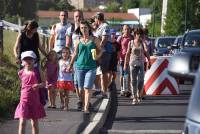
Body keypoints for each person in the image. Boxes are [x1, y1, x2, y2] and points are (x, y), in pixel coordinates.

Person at [68, 20, 102, 113]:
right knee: (81, 88)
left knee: (87, 87)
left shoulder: (94, 39)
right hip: (79, 67)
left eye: (85, 28)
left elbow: (101, 50)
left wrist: (97, 57)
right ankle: (84, 103)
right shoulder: (78, 40)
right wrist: (70, 65)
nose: (83, 29)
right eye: (82, 28)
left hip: (91, 67)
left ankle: (86, 107)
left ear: (89, 28)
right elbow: (75, 53)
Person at [14, 51, 46, 134]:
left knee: (34, 123)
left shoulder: (37, 72)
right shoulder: (20, 73)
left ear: (34, 60)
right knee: (22, 122)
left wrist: (38, 85)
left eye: (30, 59)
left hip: (34, 101)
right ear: (22, 62)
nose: (28, 61)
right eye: (25, 59)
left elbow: (44, 83)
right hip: (24, 101)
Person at [124, 28, 151, 105]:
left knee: (141, 80)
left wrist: (149, 61)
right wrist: (125, 64)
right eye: (138, 34)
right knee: (133, 81)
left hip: (141, 64)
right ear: (135, 35)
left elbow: (146, 52)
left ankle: (139, 93)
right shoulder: (131, 43)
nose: (140, 36)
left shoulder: (143, 43)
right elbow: (127, 53)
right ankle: (134, 97)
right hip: (132, 63)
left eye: (141, 34)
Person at [93, 12, 112, 98]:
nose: (94, 21)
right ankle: (98, 88)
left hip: (103, 52)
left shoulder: (105, 26)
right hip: (97, 51)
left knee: (103, 72)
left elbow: (104, 40)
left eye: (95, 19)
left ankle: (104, 91)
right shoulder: (98, 28)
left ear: (97, 19)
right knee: (95, 70)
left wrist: (98, 50)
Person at [71, 10, 84, 110]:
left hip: (85, 59)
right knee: (76, 81)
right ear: (74, 17)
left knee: (83, 82)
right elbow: (67, 44)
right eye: (76, 16)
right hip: (74, 58)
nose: (78, 18)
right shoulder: (70, 29)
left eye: (79, 16)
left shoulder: (86, 28)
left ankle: (84, 101)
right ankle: (80, 99)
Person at [117, 25, 132, 97]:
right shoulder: (120, 38)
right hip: (122, 59)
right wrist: (118, 57)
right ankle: (122, 89)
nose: (127, 30)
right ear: (123, 30)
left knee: (127, 74)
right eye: (125, 29)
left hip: (130, 59)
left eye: (128, 29)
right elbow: (117, 48)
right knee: (122, 75)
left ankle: (127, 89)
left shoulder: (132, 38)